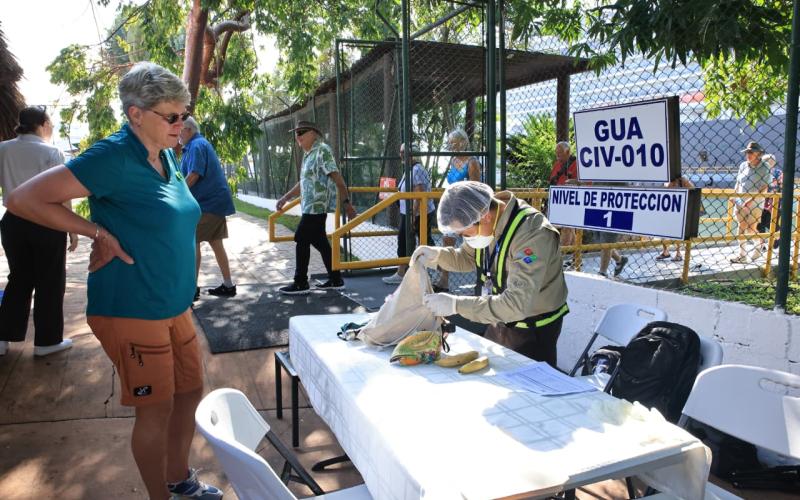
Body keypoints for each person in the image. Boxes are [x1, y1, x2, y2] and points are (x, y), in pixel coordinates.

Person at [5, 62, 221, 499]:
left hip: (173, 303)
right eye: (172, 116)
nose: (182, 123)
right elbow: (22, 198)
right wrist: (95, 232)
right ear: (136, 113)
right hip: (132, 304)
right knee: (155, 407)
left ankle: (179, 480)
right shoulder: (113, 156)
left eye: (184, 114)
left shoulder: (165, 154)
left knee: (191, 390)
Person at [413, 181, 568, 366]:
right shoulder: (487, 223)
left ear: (485, 216)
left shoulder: (532, 233)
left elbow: (516, 304)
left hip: (533, 330)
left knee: (530, 389)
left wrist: (455, 305)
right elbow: (467, 257)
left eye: (465, 233)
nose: (465, 238)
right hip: (499, 320)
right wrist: (436, 256)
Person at [0, 106, 78, 357]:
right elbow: (63, 193)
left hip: (13, 221)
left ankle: (2, 338)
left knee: (19, 278)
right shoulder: (51, 151)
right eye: (51, 123)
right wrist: (72, 228)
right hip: (47, 221)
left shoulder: (3, 149)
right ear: (43, 124)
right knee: (50, 280)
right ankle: (47, 341)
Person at [276, 120, 357, 295]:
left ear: (313, 133)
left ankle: (300, 282)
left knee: (301, 238)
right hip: (309, 207)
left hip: (316, 208)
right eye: (296, 133)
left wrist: (347, 204)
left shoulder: (322, 151)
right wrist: (285, 197)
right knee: (321, 243)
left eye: (301, 132)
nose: (298, 137)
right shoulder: (308, 155)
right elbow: (303, 183)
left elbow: (338, 179)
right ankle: (336, 279)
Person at [179, 116, 237, 300]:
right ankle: (228, 285)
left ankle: (191, 290)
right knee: (216, 243)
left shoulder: (196, 145)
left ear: (188, 130)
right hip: (215, 203)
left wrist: (178, 195)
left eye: (179, 129)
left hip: (208, 204)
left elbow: (194, 174)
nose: (177, 133)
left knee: (192, 242)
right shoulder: (195, 145)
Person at [383, 143, 436, 284]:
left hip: (417, 213)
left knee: (414, 241)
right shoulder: (410, 169)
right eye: (400, 152)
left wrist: (413, 214)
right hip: (410, 212)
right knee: (413, 241)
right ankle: (412, 272)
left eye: (404, 152)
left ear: (412, 155)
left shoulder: (417, 169)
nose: (401, 154)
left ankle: (404, 272)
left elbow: (419, 193)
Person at [435, 129, 482, 292]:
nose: (452, 147)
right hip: (452, 206)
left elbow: (476, 188)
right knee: (447, 240)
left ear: (463, 143)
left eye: (455, 143)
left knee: (475, 245)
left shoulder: (472, 161)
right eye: (451, 144)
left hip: (467, 208)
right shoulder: (454, 159)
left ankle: (481, 280)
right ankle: (444, 280)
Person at [731, 141, 771, 264]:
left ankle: (758, 246)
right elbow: (738, 183)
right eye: (747, 152)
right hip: (740, 201)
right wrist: (734, 194)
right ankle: (742, 255)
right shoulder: (743, 165)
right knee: (741, 227)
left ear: (758, 154)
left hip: (756, 203)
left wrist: (751, 200)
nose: (749, 154)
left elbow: (764, 187)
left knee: (751, 229)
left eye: (751, 152)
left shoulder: (765, 167)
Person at [549, 141, 578, 265]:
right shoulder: (557, 164)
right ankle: (576, 257)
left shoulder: (576, 164)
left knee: (567, 228)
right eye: (556, 153)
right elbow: (552, 180)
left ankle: (559, 257)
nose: (557, 156)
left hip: (571, 200)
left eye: (560, 153)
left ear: (568, 152)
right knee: (568, 229)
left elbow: (583, 182)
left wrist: (573, 182)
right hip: (558, 201)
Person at [656, 174, 696, 262]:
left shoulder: (683, 180)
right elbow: (666, 189)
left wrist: (683, 183)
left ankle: (678, 253)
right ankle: (665, 251)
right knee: (662, 230)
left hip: (679, 210)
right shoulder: (667, 179)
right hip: (667, 209)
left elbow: (693, 189)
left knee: (677, 232)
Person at [756, 154, 782, 247]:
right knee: (760, 223)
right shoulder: (761, 172)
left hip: (774, 201)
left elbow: (781, 187)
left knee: (768, 223)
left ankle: (777, 238)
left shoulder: (777, 173)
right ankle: (762, 244)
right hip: (763, 201)